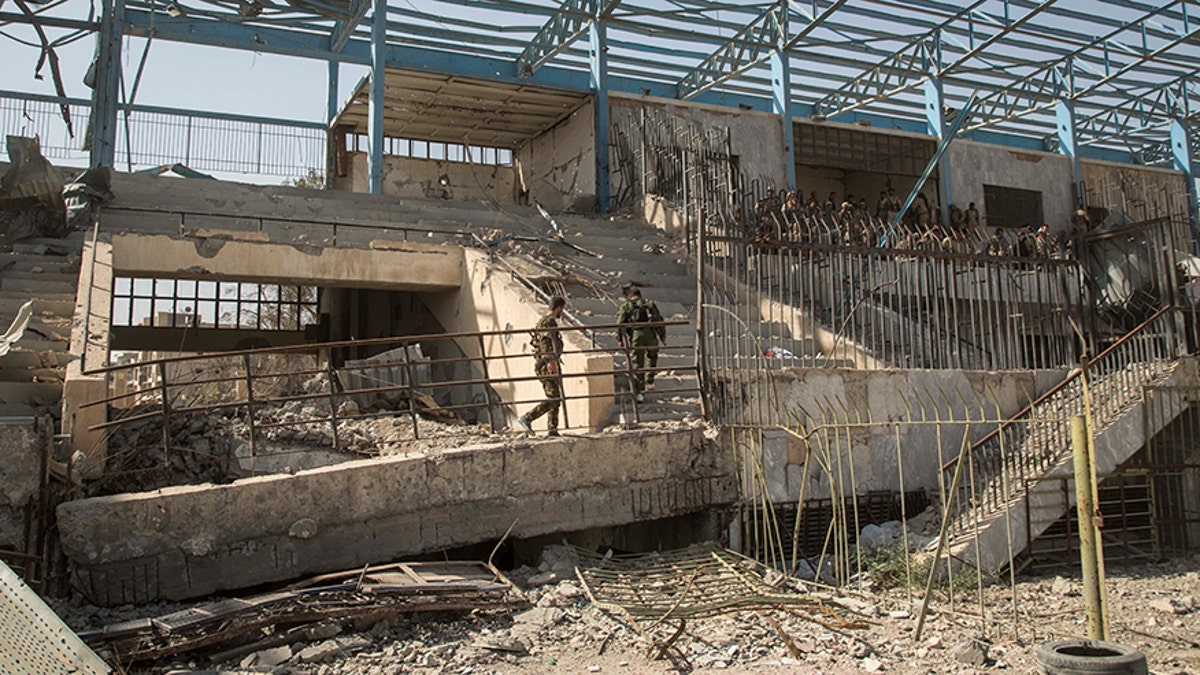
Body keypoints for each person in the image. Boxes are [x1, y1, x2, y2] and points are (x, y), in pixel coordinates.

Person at [516, 296, 566, 437]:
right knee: (554, 397)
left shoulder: (548, 322)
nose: (562, 312)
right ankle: (527, 418)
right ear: (558, 308)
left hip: (547, 363)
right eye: (562, 309)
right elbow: (545, 342)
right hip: (546, 364)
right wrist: (550, 361)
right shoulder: (548, 322)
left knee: (555, 396)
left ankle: (552, 429)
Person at [616, 287, 665, 403]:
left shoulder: (626, 306)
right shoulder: (648, 303)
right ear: (640, 295)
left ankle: (640, 393)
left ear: (629, 296)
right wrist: (662, 335)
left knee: (638, 363)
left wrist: (620, 339)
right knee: (652, 356)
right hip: (651, 334)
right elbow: (659, 319)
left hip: (636, 335)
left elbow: (620, 323)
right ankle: (650, 381)